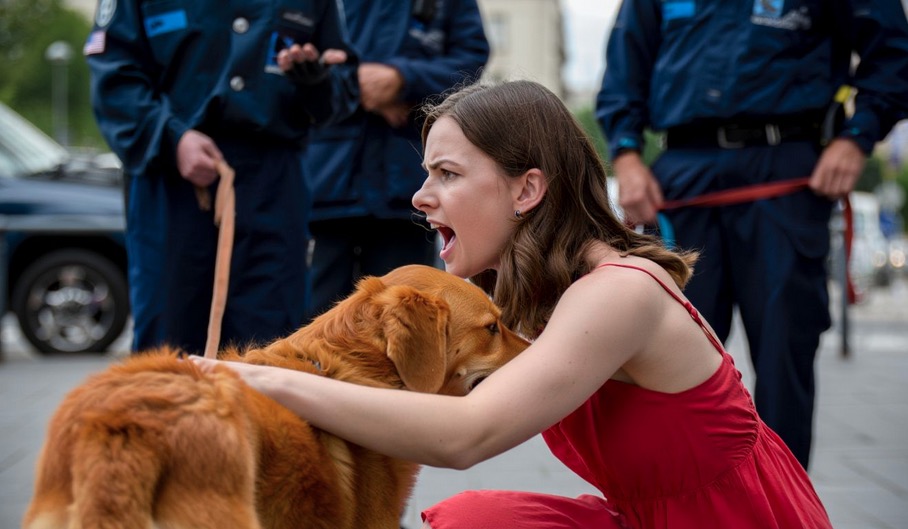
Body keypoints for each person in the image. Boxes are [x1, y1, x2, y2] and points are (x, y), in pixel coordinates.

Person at [192, 80, 833, 528]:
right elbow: (405, 397)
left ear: (527, 189)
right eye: (426, 174)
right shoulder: (535, 303)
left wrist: (259, 378)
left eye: (446, 174)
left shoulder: (617, 293)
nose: (420, 196)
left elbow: (467, 436)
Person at [596, 0, 908, 469]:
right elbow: (625, 67)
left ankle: (780, 510)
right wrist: (626, 156)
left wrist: (856, 137)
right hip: (683, 176)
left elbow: (894, 54)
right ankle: (682, 507)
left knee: (785, 353)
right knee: (666, 357)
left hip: (785, 168)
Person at [84, 0, 361, 354]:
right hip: (172, 182)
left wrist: (317, 81)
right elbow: (114, 76)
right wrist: (171, 137)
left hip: (273, 184)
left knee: (271, 348)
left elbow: (342, 86)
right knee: (169, 347)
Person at [303, 0, 489, 320]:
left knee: (400, 319)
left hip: (406, 190)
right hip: (328, 183)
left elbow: (470, 61)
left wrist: (402, 80)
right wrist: (365, 86)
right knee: (318, 323)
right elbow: (296, 55)